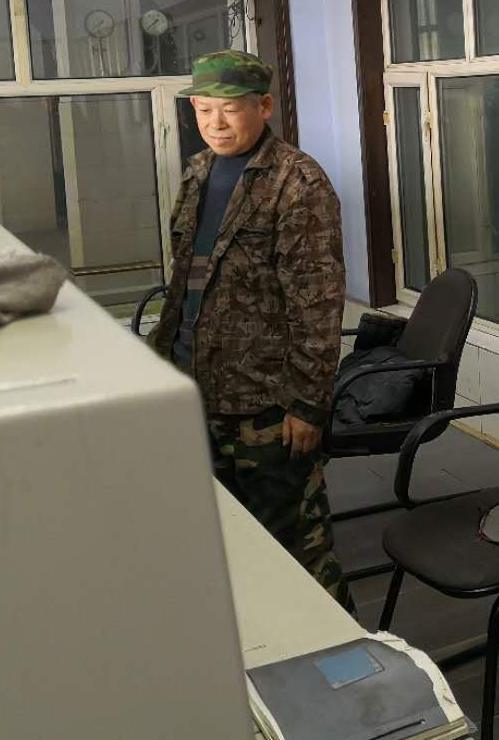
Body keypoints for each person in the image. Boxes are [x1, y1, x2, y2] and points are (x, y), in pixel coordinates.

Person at [150, 50, 351, 610]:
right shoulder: (197, 172)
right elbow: (184, 283)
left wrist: (307, 403)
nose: (215, 123)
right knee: (222, 541)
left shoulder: (297, 181)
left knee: (297, 548)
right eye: (203, 110)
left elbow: (317, 303)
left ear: (263, 107)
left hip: (265, 402)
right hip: (195, 384)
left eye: (230, 110)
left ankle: (337, 650)